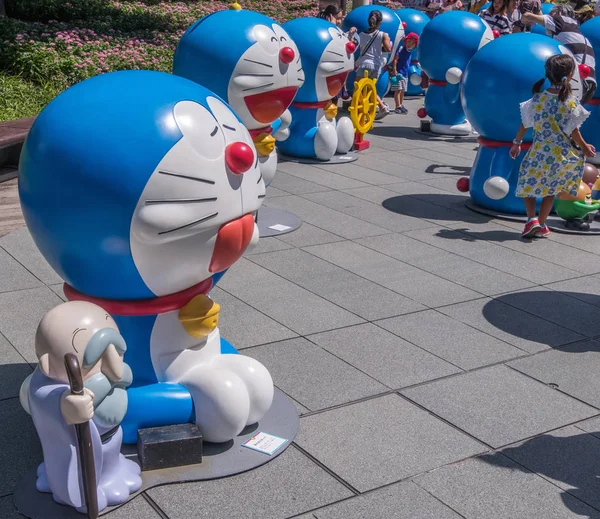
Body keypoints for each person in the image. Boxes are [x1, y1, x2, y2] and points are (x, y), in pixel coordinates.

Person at [509, 54, 596, 238]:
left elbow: (525, 123)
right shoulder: (570, 101)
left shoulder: (538, 98)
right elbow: (574, 131)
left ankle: (531, 219)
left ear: (547, 74)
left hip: (538, 151)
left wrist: (517, 143)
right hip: (560, 155)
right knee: (550, 191)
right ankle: (541, 224)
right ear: (571, 74)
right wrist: (584, 146)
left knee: (527, 184)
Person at [522, 5, 596, 103]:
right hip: (589, 84)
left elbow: (528, 16)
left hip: (576, 80)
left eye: (551, 14)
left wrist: (523, 20)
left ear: (558, 13)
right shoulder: (576, 33)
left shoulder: (560, 20)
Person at [356, 10, 392, 119]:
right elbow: (388, 49)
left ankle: (360, 110)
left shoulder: (361, 35)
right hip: (376, 66)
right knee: (371, 89)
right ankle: (382, 107)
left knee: (358, 88)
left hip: (364, 64)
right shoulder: (383, 35)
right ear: (379, 22)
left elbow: (354, 46)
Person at [391, 33, 419, 114]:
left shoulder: (409, 52)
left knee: (403, 90)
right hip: (399, 73)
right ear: (406, 40)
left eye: (412, 43)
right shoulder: (401, 49)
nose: (410, 44)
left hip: (405, 74)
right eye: (409, 41)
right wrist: (394, 69)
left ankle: (401, 104)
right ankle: (397, 106)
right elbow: (396, 59)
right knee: (398, 90)